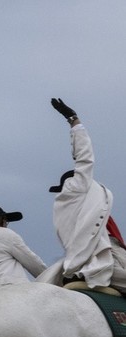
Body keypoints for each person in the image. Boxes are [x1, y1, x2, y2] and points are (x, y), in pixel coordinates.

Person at [49, 97, 126, 295]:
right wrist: (74, 120)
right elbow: (84, 158)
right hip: (102, 259)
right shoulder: (76, 187)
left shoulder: (66, 206)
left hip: (78, 260)